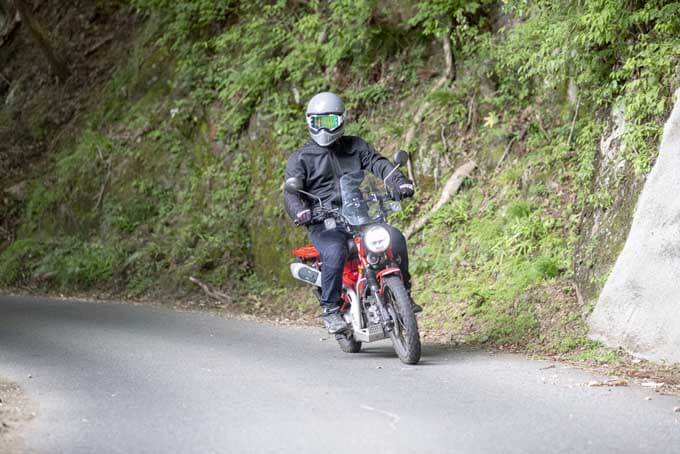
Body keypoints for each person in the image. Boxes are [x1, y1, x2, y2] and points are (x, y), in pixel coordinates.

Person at [283, 91, 421, 334]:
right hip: (324, 222)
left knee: (395, 237)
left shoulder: (355, 146)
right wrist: (301, 212)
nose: (325, 127)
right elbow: (291, 192)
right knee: (335, 252)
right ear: (309, 122)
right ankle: (331, 309)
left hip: (359, 215)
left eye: (330, 121)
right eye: (319, 122)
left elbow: (379, 164)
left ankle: (404, 293)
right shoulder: (301, 158)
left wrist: (399, 183)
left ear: (341, 120)